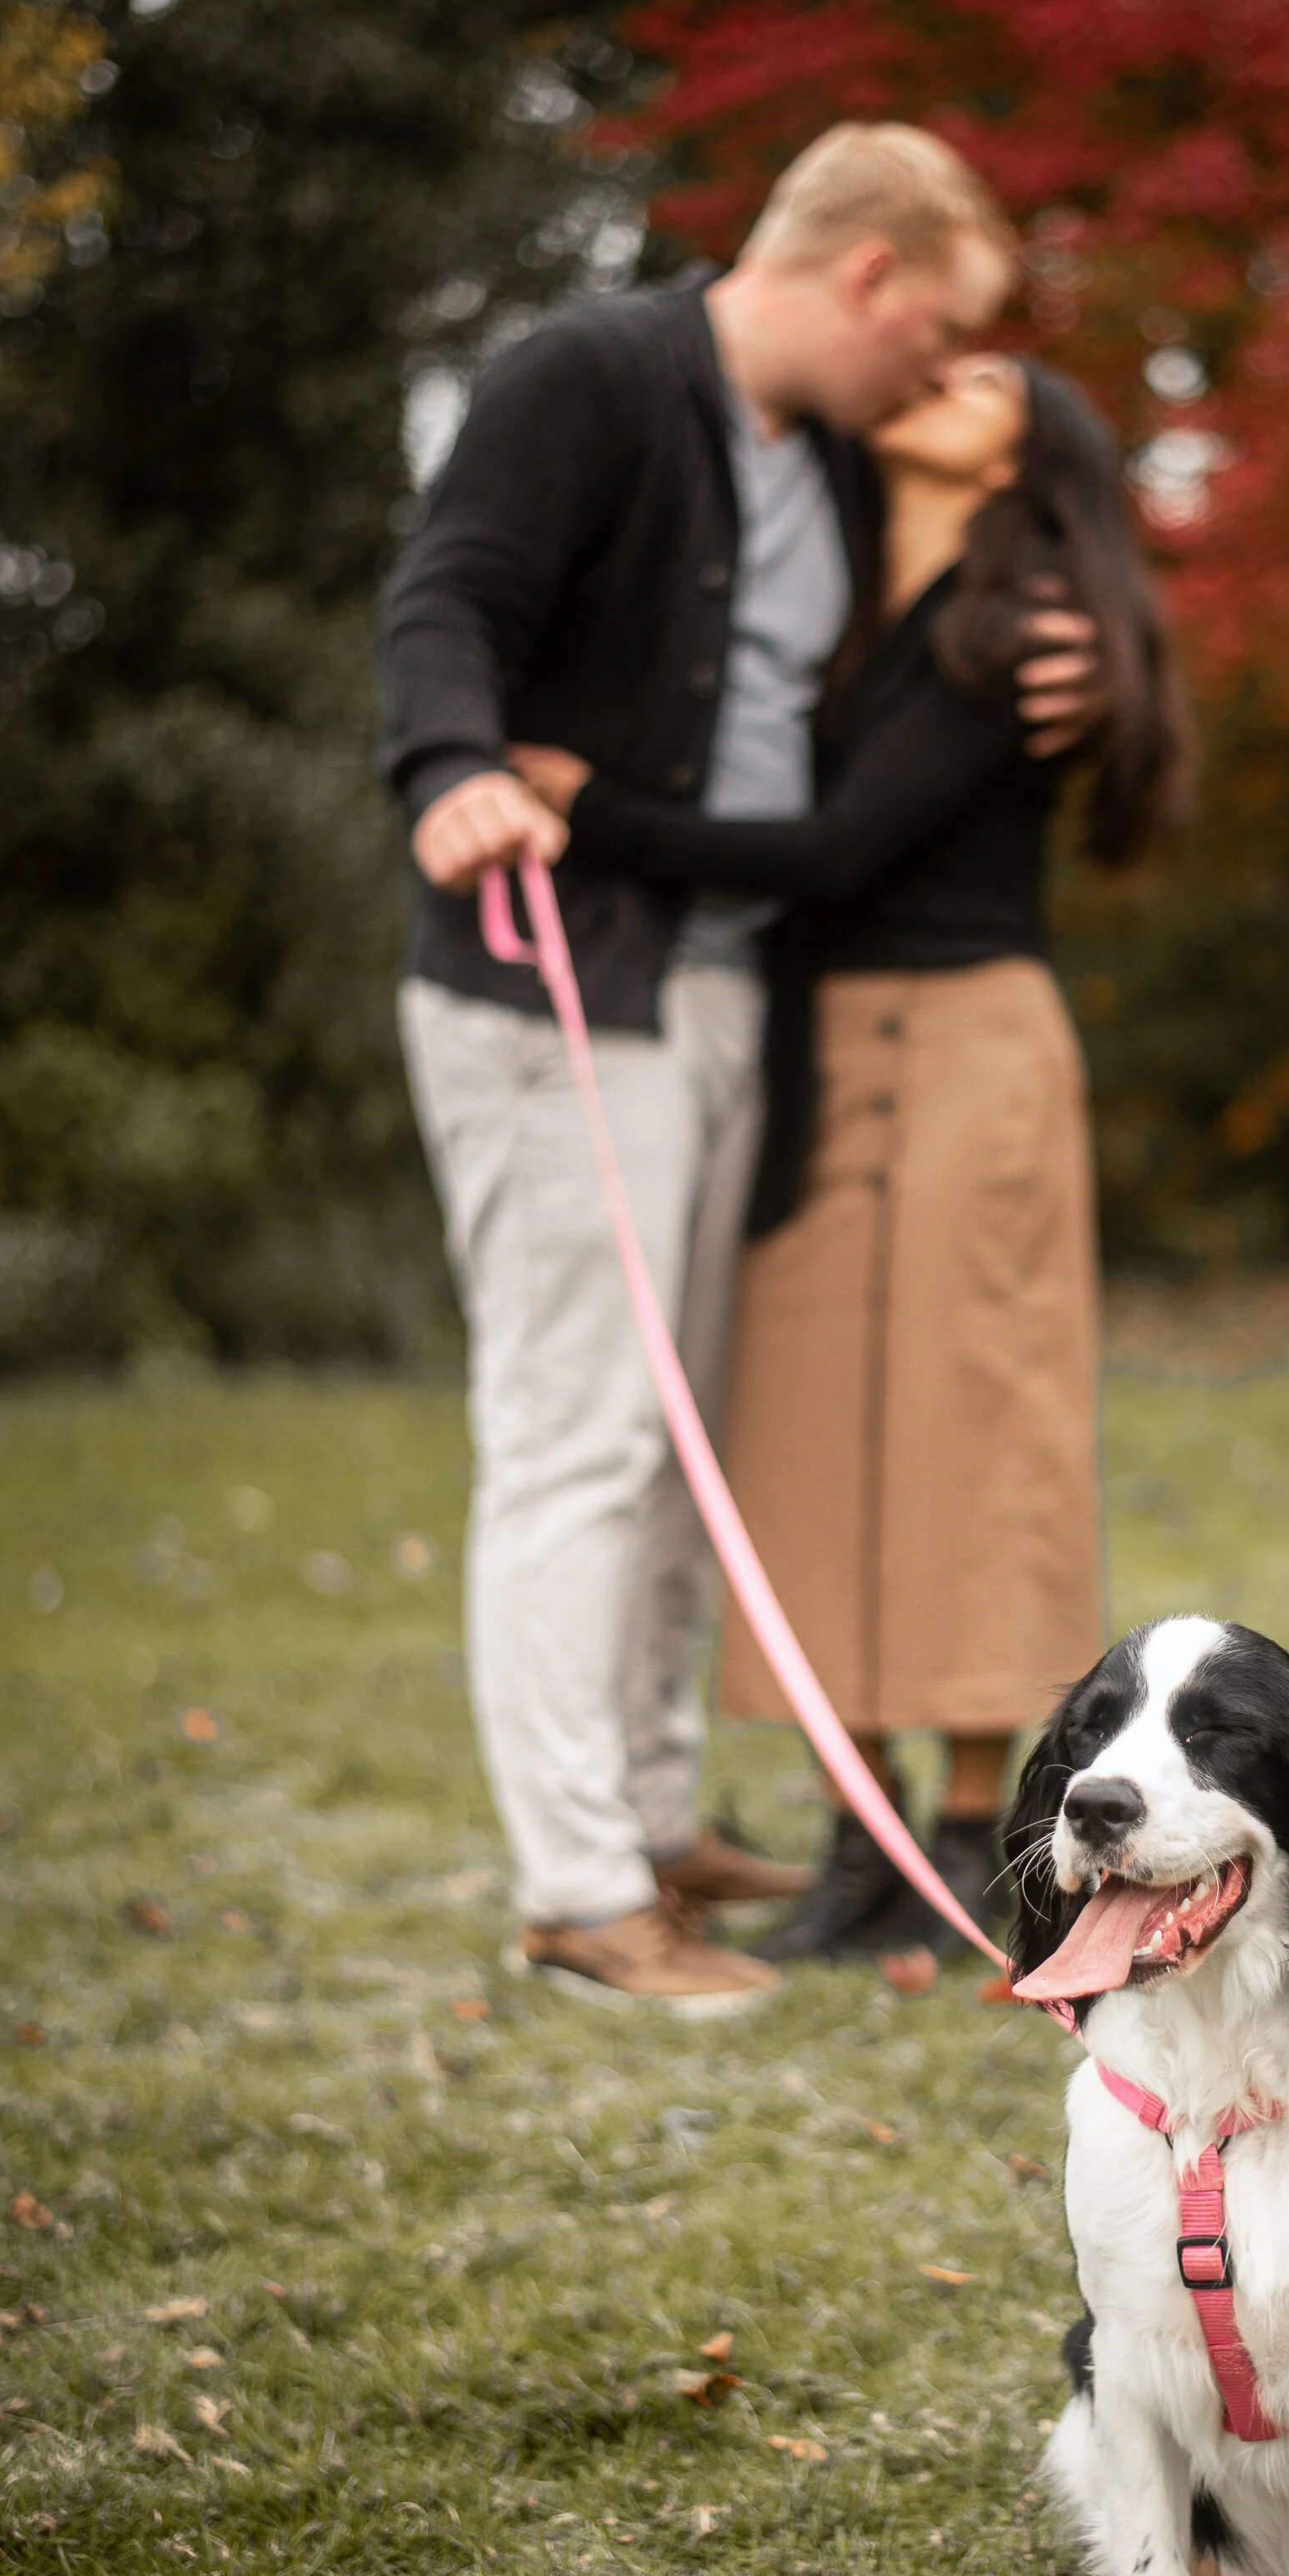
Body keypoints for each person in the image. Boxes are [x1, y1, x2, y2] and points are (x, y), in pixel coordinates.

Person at [377, 126, 1097, 2012]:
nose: (940, 376)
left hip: (713, 1004)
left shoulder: (830, 465)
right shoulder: (592, 378)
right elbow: (444, 596)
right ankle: (572, 1896)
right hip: (553, 987)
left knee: (686, 1441)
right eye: (932, 332)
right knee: (580, 1438)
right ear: (867, 278)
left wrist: (1087, 666)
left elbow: (953, 617)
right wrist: (448, 766)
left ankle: (651, 1822)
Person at [508, 352, 1190, 1973]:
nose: (929, 373)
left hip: (968, 1049)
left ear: (1034, 445)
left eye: (976, 368)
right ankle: (854, 1835)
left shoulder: (1025, 634)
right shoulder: (830, 595)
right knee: (803, 1446)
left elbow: (827, 852)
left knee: (973, 1443)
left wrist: (586, 808)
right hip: (814, 1053)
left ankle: (971, 1842)